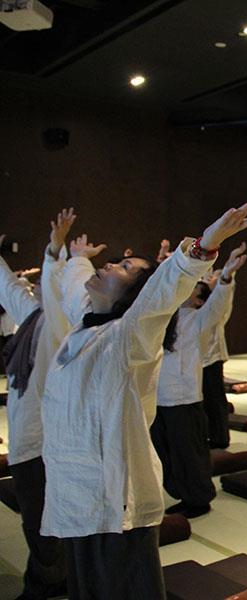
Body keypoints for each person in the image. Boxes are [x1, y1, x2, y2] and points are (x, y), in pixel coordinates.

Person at [42, 201, 247, 599]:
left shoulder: (128, 336)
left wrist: (205, 247)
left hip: (114, 504)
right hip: (74, 496)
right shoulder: (86, 325)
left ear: (135, 295)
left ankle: (196, 495)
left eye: (124, 268)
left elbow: (163, 292)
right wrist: (71, 257)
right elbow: (74, 286)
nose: (110, 265)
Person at [0, 209, 80, 600]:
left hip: (45, 443)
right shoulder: (33, 318)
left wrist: (55, 251)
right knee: (36, 519)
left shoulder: (62, 329)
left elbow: (52, 288)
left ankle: (46, 582)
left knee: (42, 521)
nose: (32, 288)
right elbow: (8, 288)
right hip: (25, 438)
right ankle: (52, 577)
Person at [151, 244, 246, 519]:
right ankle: (181, 492)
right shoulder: (161, 316)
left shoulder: (198, 319)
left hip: (184, 399)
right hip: (157, 398)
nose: (189, 289)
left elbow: (218, 305)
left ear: (197, 300)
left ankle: (198, 498)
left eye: (194, 288)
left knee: (189, 452)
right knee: (166, 451)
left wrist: (226, 276)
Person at [201, 243, 245, 449]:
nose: (210, 278)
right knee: (203, 400)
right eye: (211, 276)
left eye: (215, 277)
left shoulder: (220, 304)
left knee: (215, 399)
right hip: (198, 359)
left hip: (212, 357)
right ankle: (207, 433)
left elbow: (227, 282)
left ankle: (220, 437)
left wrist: (230, 266)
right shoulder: (201, 302)